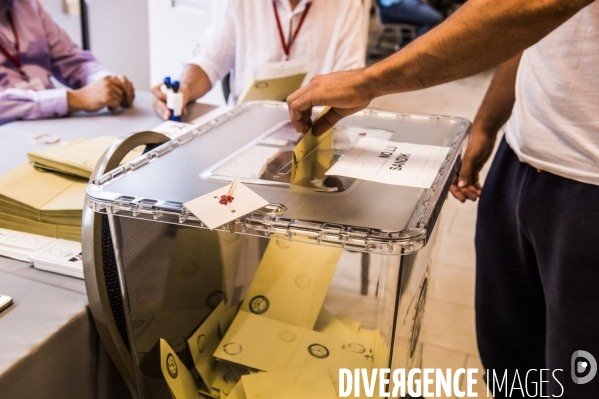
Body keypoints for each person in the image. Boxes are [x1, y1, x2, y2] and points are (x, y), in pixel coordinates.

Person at [287, 0, 599, 396]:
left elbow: (530, 6)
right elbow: (533, 34)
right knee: (511, 363)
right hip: (522, 154)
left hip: (589, 181)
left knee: (578, 376)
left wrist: (369, 80)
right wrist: (488, 124)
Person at [151, 0, 366, 120]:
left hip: (317, 130)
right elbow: (208, 60)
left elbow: (351, 82)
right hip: (246, 131)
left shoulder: (349, 5)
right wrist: (183, 90)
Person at [0, 0, 135, 125]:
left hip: (51, 123)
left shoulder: (30, 6)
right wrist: (74, 100)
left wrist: (107, 83)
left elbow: (70, 59)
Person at [378, 0, 443, 37]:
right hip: (394, 5)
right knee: (436, 19)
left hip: (399, 3)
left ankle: (407, 43)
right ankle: (418, 48)